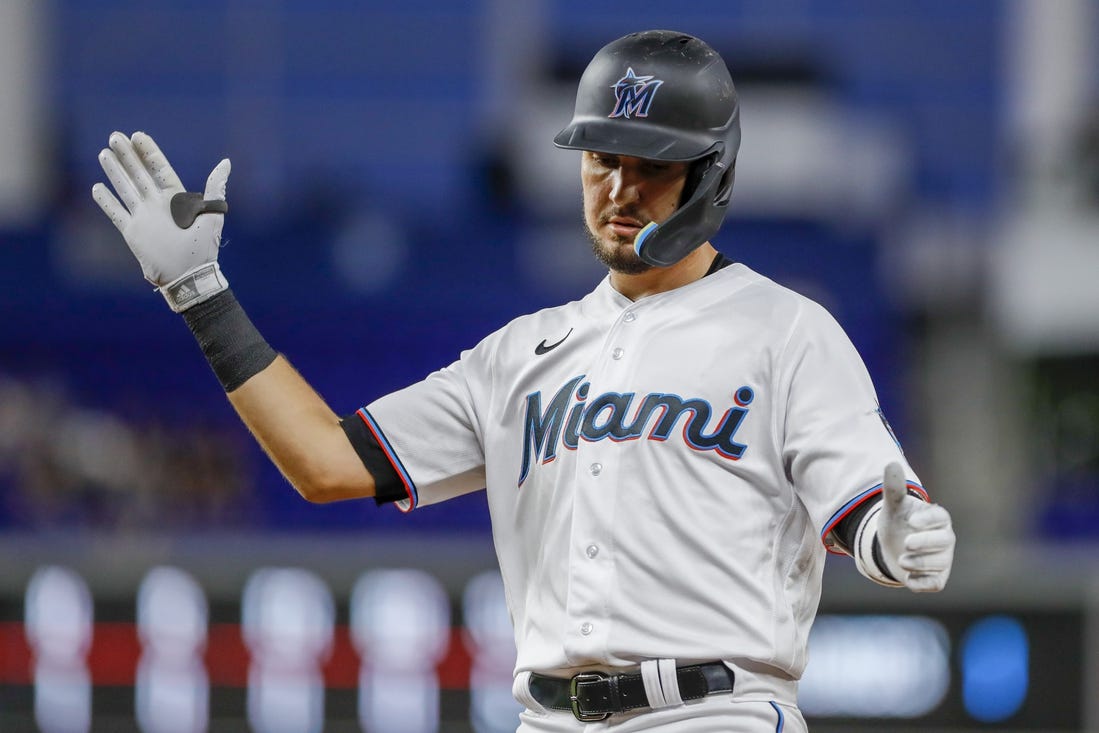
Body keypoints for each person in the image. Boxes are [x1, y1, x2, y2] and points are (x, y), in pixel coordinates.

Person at [92, 29, 955, 733]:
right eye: (599, 158)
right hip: (545, 719)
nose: (617, 187)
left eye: (650, 163)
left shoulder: (786, 330)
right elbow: (324, 461)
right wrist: (201, 296)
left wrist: (895, 535)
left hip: (714, 711)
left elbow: (870, 509)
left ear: (710, 172)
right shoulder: (518, 354)